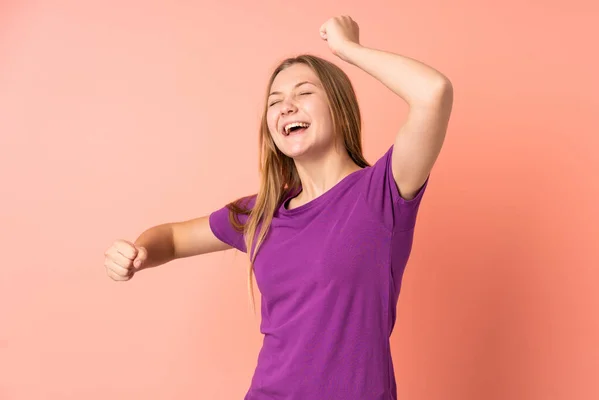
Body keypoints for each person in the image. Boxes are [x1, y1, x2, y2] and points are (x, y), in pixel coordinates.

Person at [103, 15, 453, 400]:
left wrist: (348, 51)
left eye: (303, 93)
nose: (286, 107)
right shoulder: (263, 212)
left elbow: (432, 93)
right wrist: (139, 252)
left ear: (339, 107)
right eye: (275, 101)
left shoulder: (381, 194)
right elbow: (169, 237)